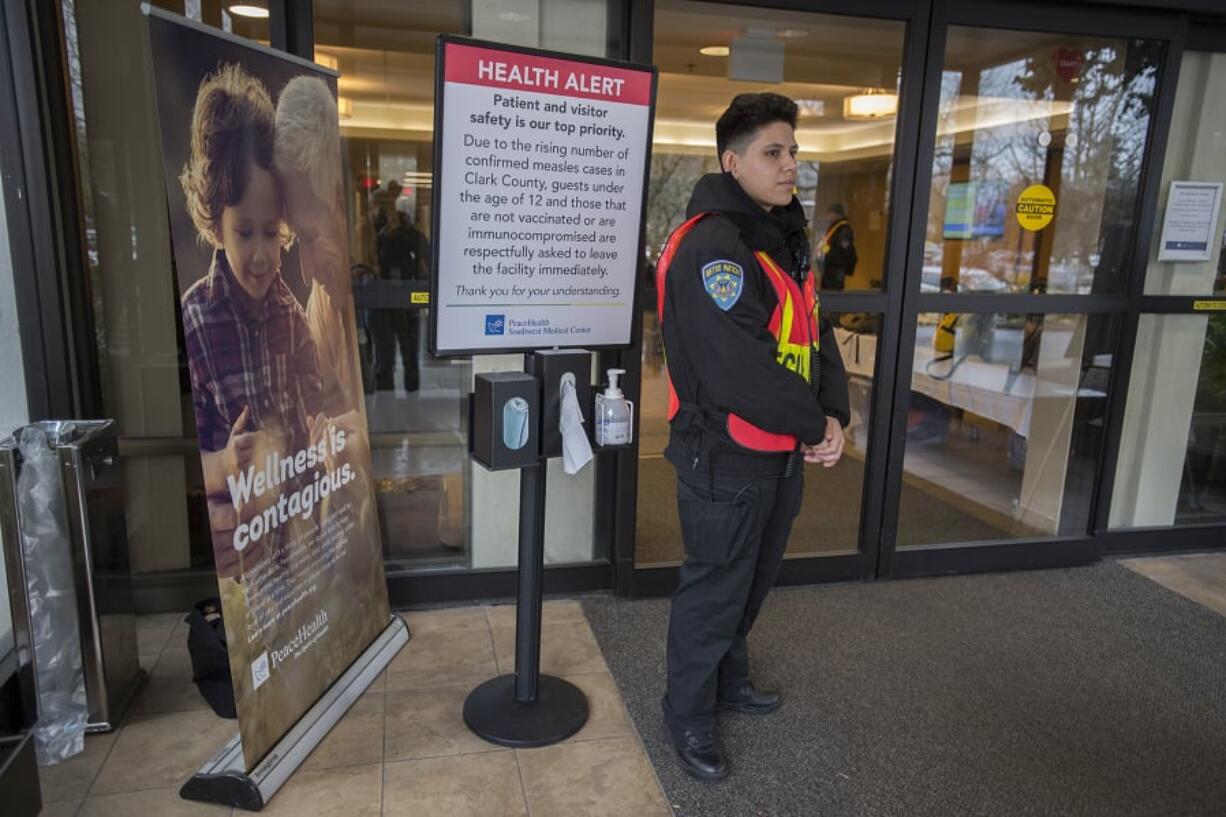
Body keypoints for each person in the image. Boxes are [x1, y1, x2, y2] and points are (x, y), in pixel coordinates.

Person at [654, 92, 850, 780]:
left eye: (794, 150)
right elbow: (739, 369)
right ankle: (687, 713)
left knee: (753, 582)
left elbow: (814, 326)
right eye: (774, 152)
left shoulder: (780, 236)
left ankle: (727, 680)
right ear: (732, 162)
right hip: (727, 456)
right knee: (714, 589)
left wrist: (836, 412)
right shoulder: (712, 247)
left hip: (778, 453)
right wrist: (814, 422)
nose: (791, 164)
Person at [178, 63, 325, 580]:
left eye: (272, 232)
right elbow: (181, 462)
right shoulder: (193, 321)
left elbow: (317, 411)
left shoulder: (292, 315)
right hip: (238, 556)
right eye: (245, 233)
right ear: (215, 222)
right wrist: (224, 464)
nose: (262, 254)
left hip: (301, 541)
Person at [816, 202, 856, 290]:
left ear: (836, 214)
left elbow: (843, 252)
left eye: (830, 214)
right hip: (830, 269)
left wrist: (827, 251)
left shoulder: (843, 230)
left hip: (835, 270)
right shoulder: (836, 228)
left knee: (832, 294)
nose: (828, 217)